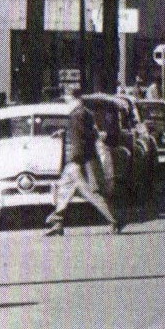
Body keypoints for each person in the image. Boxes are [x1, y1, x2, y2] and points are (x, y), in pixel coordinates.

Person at [45, 90, 122, 236]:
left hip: (79, 161)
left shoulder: (77, 114)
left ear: (75, 98)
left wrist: (77, 158)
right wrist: (64, 132)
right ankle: (57, 222)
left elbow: (82, 138)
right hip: (80, 160)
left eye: (68, 98)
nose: (66, 101)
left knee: (91, 193)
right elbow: (85, 134)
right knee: (64, 191)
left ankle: (114, 221)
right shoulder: (84, 113)